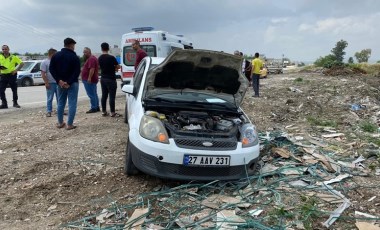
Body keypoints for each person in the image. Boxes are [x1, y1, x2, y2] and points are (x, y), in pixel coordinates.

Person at [49, 38, 81, 130]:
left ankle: (60, 123)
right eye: (74, 45)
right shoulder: (74, 57)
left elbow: (52, 69)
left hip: (60, 84)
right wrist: (69, 82)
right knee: (72, 103)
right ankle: (69, 124)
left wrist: (59, 81)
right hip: (72, 83)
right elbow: (77, 71)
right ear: (71, 45)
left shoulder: (56, 56)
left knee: (61, 103)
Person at [98, 42, 121, 117]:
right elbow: (118, 67)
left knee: (104, 95)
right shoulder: (111, 57)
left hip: (103, 78)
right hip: (111, 79)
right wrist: (114, 68)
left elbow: (100, 67)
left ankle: (104, 111)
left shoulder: (100, 58)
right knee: (112, 96)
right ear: (108, 48)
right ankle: (112, 112)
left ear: (101, 49)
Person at [81, 47, 100, 113]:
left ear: (89, 52)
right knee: (94, 94)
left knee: (91, 94)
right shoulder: (92, 58)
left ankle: (94, 107)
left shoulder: (91, 59)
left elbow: (92, 69)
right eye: (83, 52)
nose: (84, 53)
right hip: (92, 79)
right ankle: (96, 106)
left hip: (89, 80)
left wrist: (89, 78)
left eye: (85, 52)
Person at [41, 48, 58, 117]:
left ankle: (60, 110)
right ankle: (49, 111)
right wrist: (46, 83)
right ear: (51, 54)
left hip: (58, 82)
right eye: (55, 54)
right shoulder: (45, 62)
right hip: (50, 83)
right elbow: (43, 74)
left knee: (59, 98)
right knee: (50, 98)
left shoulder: (57, 61)